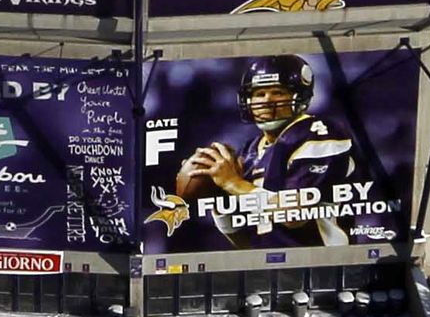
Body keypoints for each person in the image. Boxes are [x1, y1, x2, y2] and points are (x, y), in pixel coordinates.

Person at [142, 55, 388, 253]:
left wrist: (232, 183)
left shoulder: (320, 132)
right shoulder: (251, 149)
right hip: (271, 272)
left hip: (324, 266)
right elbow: (251, 243)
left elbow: (296, 215)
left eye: (277, 92)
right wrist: (220, 203)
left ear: (299, 96)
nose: (266, 101)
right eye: (259, 94)